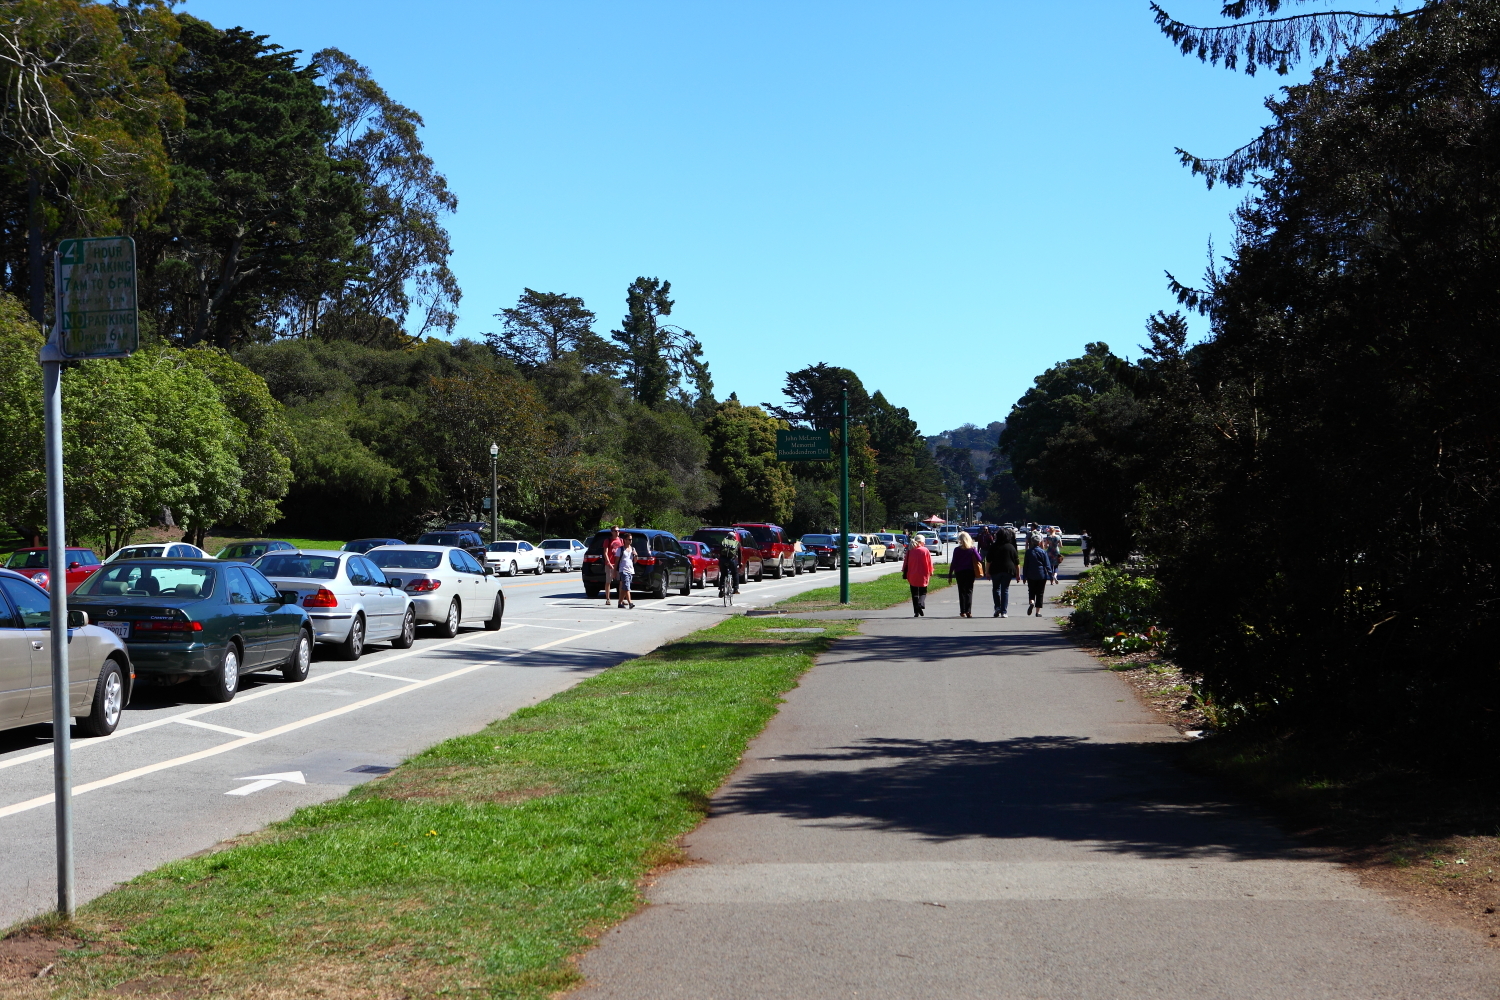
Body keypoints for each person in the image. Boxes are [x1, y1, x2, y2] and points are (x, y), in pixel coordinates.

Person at [948, 531, 983, 618]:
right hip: (970, 572)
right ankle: (968, 611)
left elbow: (954, 562)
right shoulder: (972, 549)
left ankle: (962, 611)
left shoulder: (957, 550)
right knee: (969, 591)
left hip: (959, 572)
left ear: (960, 540)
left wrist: (950, 574)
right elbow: (979, 559)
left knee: (961, 591)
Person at [989, 526, 1020, 618]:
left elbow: (989, 561)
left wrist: (987, 572)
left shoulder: (993, 546)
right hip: (1008, 570)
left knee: (996, 589)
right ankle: (1004, 611)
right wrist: (1018, 574)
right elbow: (1017, 562)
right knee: (1005, 590)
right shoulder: (1011, 547)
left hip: (995, 570)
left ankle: (997, 607)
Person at [903, 532, 934, 617]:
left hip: (912, 574)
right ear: (922, 542)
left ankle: (916, 611)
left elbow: (906, 562)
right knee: (923, 592)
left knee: (914, 593)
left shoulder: (910, 550)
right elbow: (929, 563)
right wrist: (931, 571)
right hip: (923, 574)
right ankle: (920, 604)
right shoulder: (925, 550)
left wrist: (904, 570)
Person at [1024, 531, 1052, 616]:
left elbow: (1025, 565)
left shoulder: (1028, 552)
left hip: (1031, 574)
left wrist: (1024, 576)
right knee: (1040, 592)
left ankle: (1032, 601)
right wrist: (1050, 575)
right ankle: (1038, 612)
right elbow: (1047, 565)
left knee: (1031, 590)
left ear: (1032, 542)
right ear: (1040, 542)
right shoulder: (1043, 552)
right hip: (1041, 574)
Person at [602, 526, 623, 606]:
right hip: (610, 564)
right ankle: (608, 599)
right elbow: (605, 553)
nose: (617, 532)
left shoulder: (621, 540)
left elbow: (623, 552)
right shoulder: (607, 540)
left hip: (619, 564)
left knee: (621, 582)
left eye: (618, 531)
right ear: (612, 532)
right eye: (615, 531)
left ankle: (621, 599)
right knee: (608, 582)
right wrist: (609, 563)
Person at [616, 532, 636, 609]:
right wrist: (615, 571)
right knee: (627, 587)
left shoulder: (633, 549)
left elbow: (635, 561)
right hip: (623, 570)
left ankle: (619, 603)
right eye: (629, 539)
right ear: (624, 540)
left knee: (625, 587)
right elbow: (616, 561)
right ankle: (630, 603)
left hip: (630, 570)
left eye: (631, 539)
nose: (630, 541)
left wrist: (636, 555)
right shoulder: (620, 549)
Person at [718, 530, 741, 595]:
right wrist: (740, 563)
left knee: (723, 574)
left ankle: (721, 589)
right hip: (732, 560)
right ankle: (735, 589)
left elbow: (719, 551)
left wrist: (719, 561)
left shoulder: (723, 541)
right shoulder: (737, 543)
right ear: (733, 537)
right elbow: (740, 554)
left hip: (723, 560)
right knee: (735, 573)